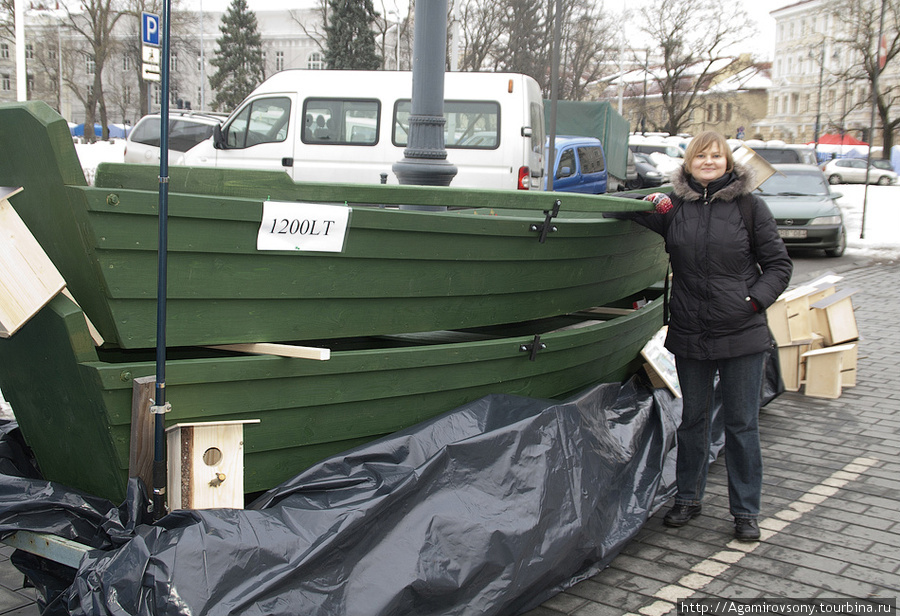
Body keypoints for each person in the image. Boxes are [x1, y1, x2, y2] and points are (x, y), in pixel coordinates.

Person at [612, 132, 793, 541]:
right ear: (688, 163)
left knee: (741, 424)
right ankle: (688, 498)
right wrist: (648, 200)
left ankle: (746, 511)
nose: (708, 161)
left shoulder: (750, 207)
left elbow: (779, 266)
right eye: (701, 156)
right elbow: (619, 209)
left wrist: (752, 303)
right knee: (692, 421)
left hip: (742, 333)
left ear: (727, 162)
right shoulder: (675, 207)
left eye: (716, 156)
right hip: (692, 331)